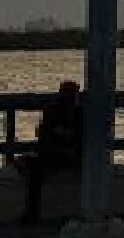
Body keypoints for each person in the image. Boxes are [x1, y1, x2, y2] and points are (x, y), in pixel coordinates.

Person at [16, 81, 83, 225]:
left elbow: (43, 133)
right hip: (56, 154)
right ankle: (32, 212)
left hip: (67, 155)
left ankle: (32, 212)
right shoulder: (56, 110)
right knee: (35, 169)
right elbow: (41, 132)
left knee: (35, 170)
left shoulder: (78, 112)